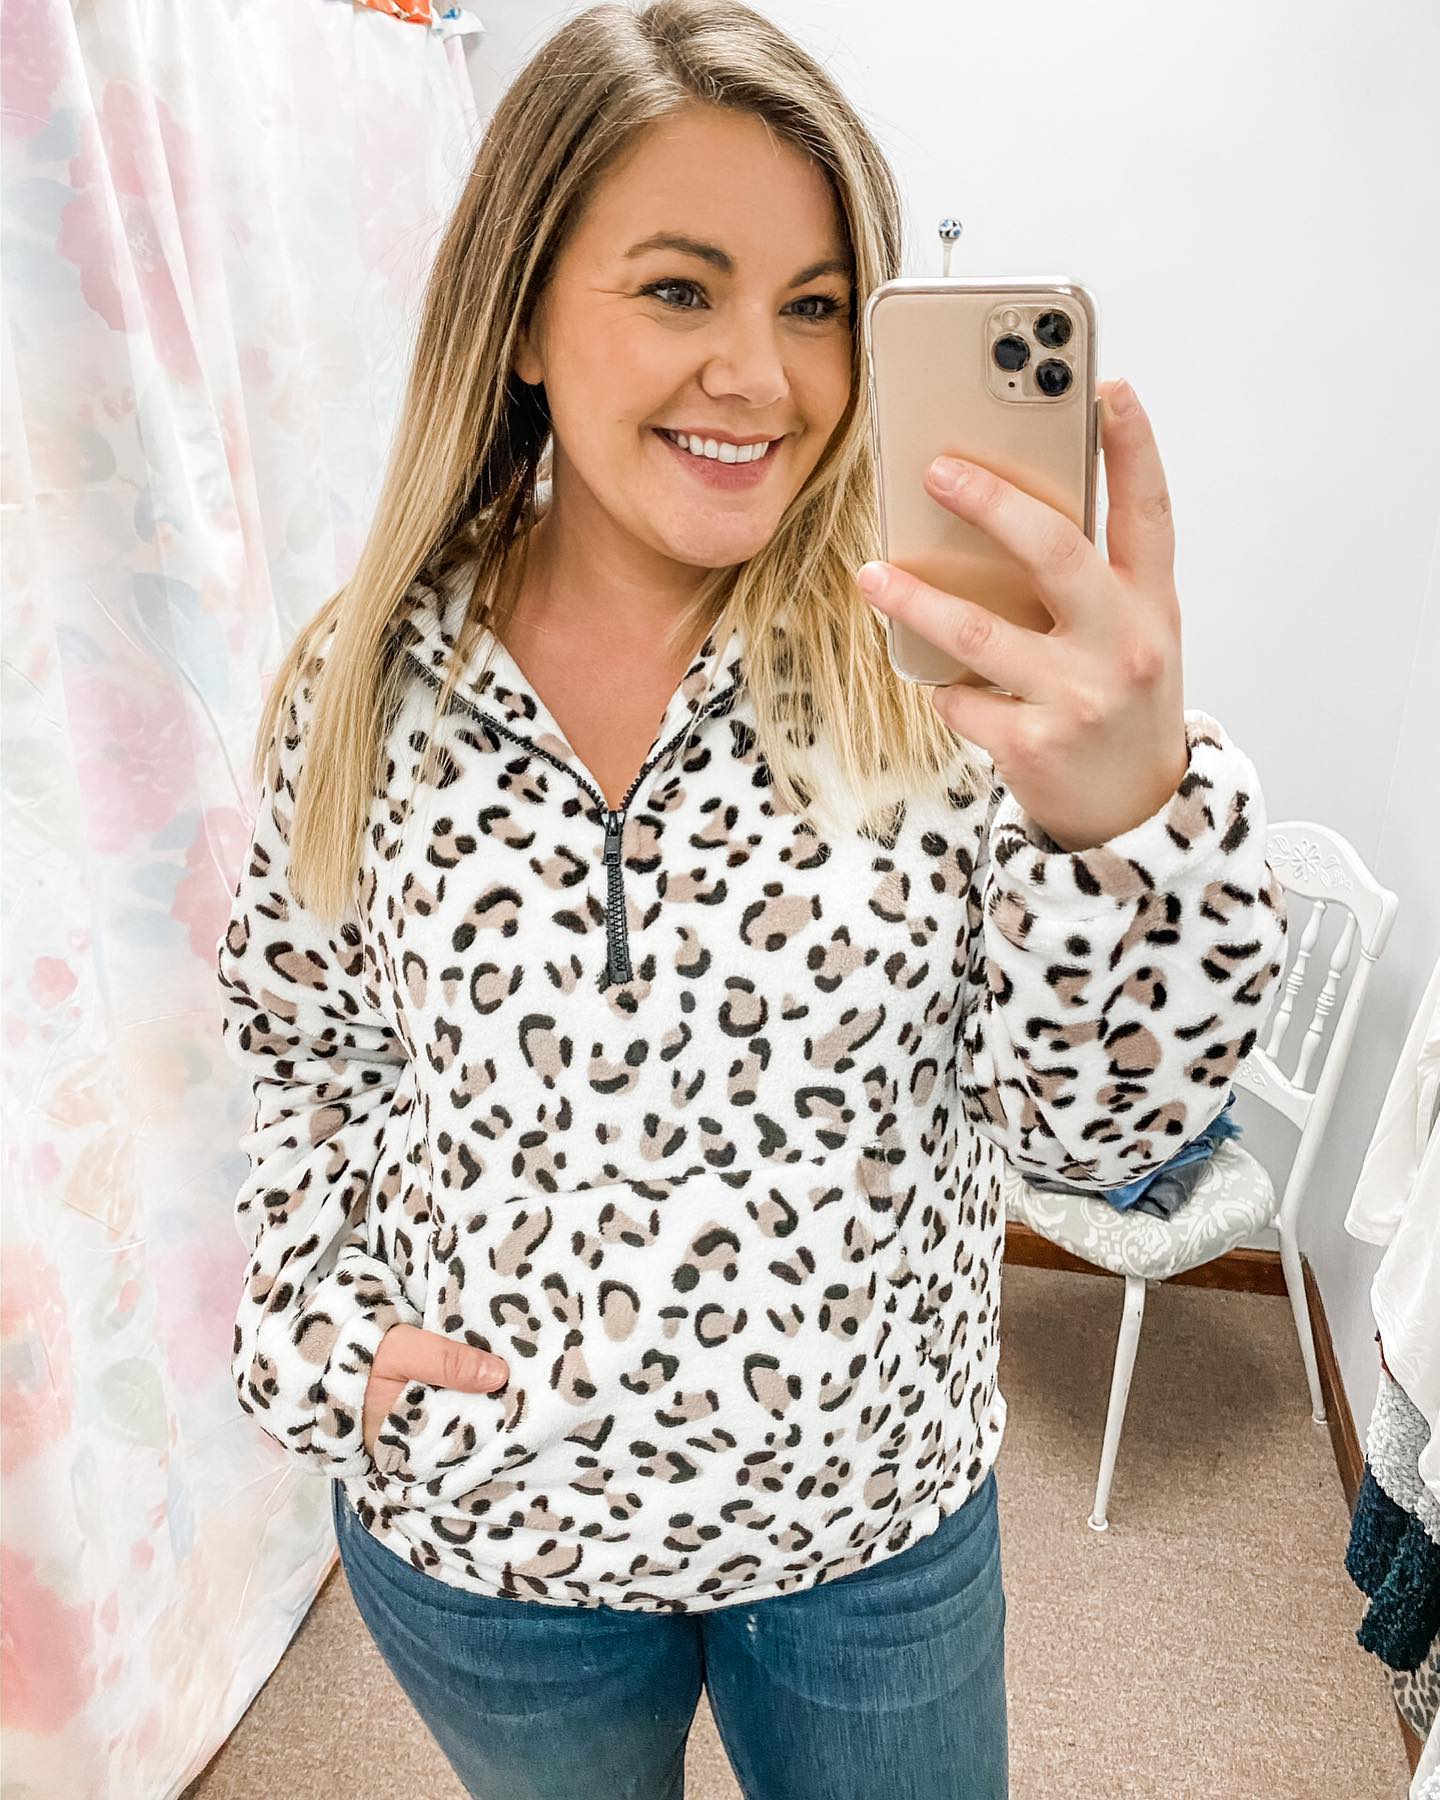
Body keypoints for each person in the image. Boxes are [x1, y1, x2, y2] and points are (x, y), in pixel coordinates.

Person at [214, 2, 1290, 1793]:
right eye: (679, 289)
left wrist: (1129, 826)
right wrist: (314, 1326)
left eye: (814, 305)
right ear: (523, 315)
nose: (763, 380)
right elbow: (305, 1046)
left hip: (867, 1539)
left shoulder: (951, 679)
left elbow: (1106, 1145)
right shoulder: (372, 678)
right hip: (493, 1538)